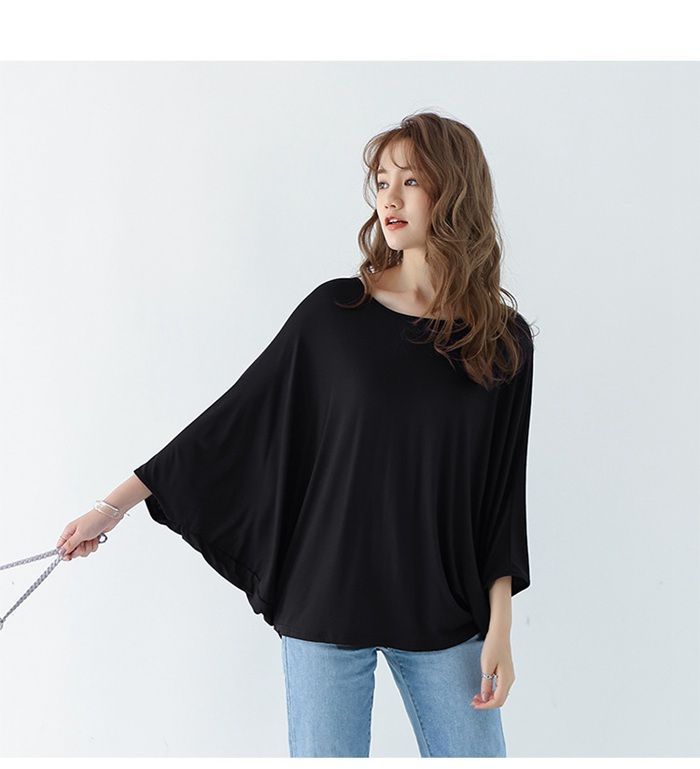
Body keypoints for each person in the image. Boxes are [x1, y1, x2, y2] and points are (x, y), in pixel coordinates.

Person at [56, 111, 536, 758]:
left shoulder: (502, 341)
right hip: (327, 601)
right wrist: (112, 505)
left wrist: (501, 626)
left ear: (454, 190)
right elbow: (234, 420)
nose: (389, 199)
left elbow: (500, 497)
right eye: (382, 181)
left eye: (411, 181)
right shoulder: (336, 314)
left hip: (444, 608)